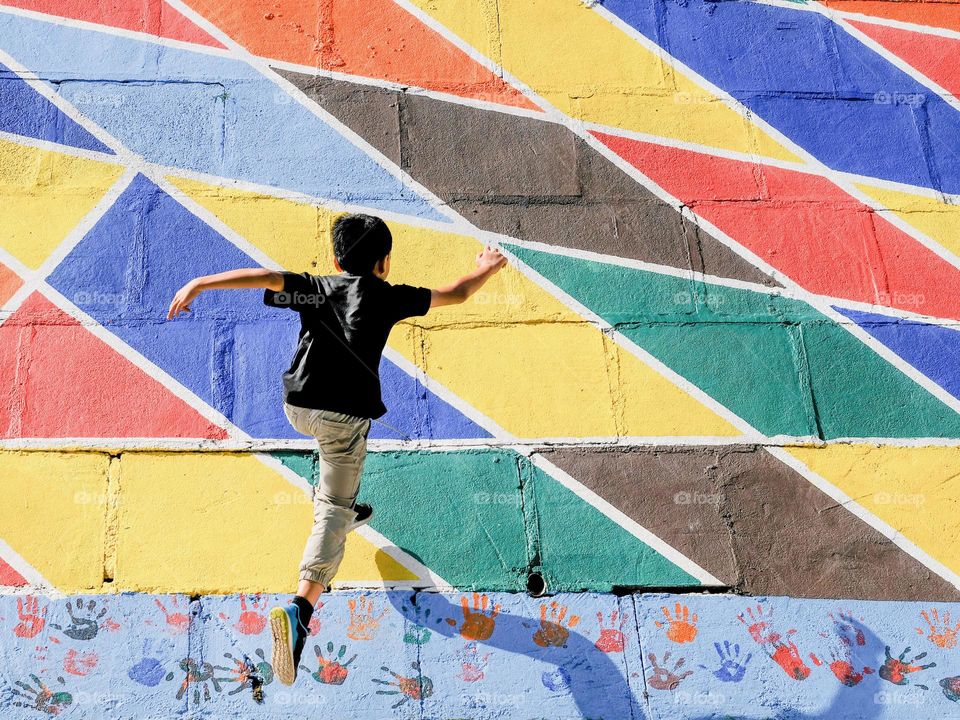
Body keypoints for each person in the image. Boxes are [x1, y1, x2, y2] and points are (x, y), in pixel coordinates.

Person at [167, 213, 507, 684]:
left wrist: (200, 282)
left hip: (297, 405)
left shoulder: (317, 287)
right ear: (384, 264)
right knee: (331, 505)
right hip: (341, 419)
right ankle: (300, 608)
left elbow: (265, 276)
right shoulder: (389, 297)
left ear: (335, 259)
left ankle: (347, 509)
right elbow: (457, 292)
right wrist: (487, 265)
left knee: (337, 473)